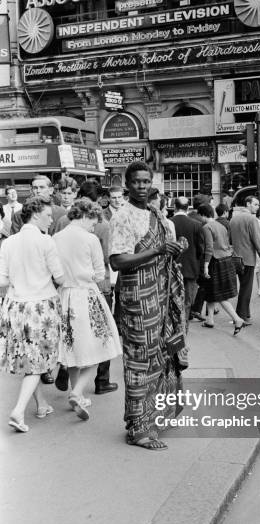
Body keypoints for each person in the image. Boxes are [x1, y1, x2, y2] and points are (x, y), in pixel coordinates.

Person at [109, 161, 186, 451]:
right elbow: (116, 261)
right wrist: (157, 249)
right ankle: (138, 428)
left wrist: (176, 251)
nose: (141, 186)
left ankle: (154, 417)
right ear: (127, 184)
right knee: (140, 359)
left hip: (161, 294)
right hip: (138, 299)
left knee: (161, 356)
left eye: (146, 181)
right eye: (136, 182)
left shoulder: (156, 214)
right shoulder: (123, 217)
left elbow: (164, 256)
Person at [0, 197, 65, 432]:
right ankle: (18, 411)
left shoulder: (8, 243)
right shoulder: (46, 241)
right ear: (36, 214)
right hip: (41, 306)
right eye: (48, 215)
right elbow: (60, 278)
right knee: (39, 361)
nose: (51, 219)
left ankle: (41, 405)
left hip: (15, 307)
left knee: (30, 358)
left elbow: (2, 280)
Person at [53, 198, 121, 420]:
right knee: (99, 348)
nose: (94, 226)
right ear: (86, 215)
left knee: (72, 349)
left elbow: (54, 273)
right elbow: (100, 274)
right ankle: (76, 392)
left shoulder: (55, 238)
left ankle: (78, 395)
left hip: (65, 296)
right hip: (87, 296)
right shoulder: (91, 239)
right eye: (93, 221)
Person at [198, 204, 245, 334]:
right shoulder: (222, 226)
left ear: (202, 215)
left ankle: (237, 319)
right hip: (227, 260)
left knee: (219, 295)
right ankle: (210, 319)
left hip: (215, 261)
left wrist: (206, 266)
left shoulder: (206, 227)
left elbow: (208, 247)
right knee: (211, 291)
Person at [229, 195, 260, 325]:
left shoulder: (233, 219)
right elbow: (258, 243)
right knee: (246, 288)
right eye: (255, 204)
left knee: (243, 285)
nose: (257, 207)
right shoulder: (252, 220)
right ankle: (241, 315)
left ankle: (246, 313)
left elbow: (229, 240)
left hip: (235, 257)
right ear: (248, 204)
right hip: (248, 259)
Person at [172, 196, 204, 331]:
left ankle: (174, 326)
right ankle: (184, 327)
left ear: (175, 207)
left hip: (172, 267)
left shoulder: (169, 222)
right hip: (190, 267)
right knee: (187, 301)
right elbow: (200, 248)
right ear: (188, 208)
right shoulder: (196, 224)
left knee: (172, 298)